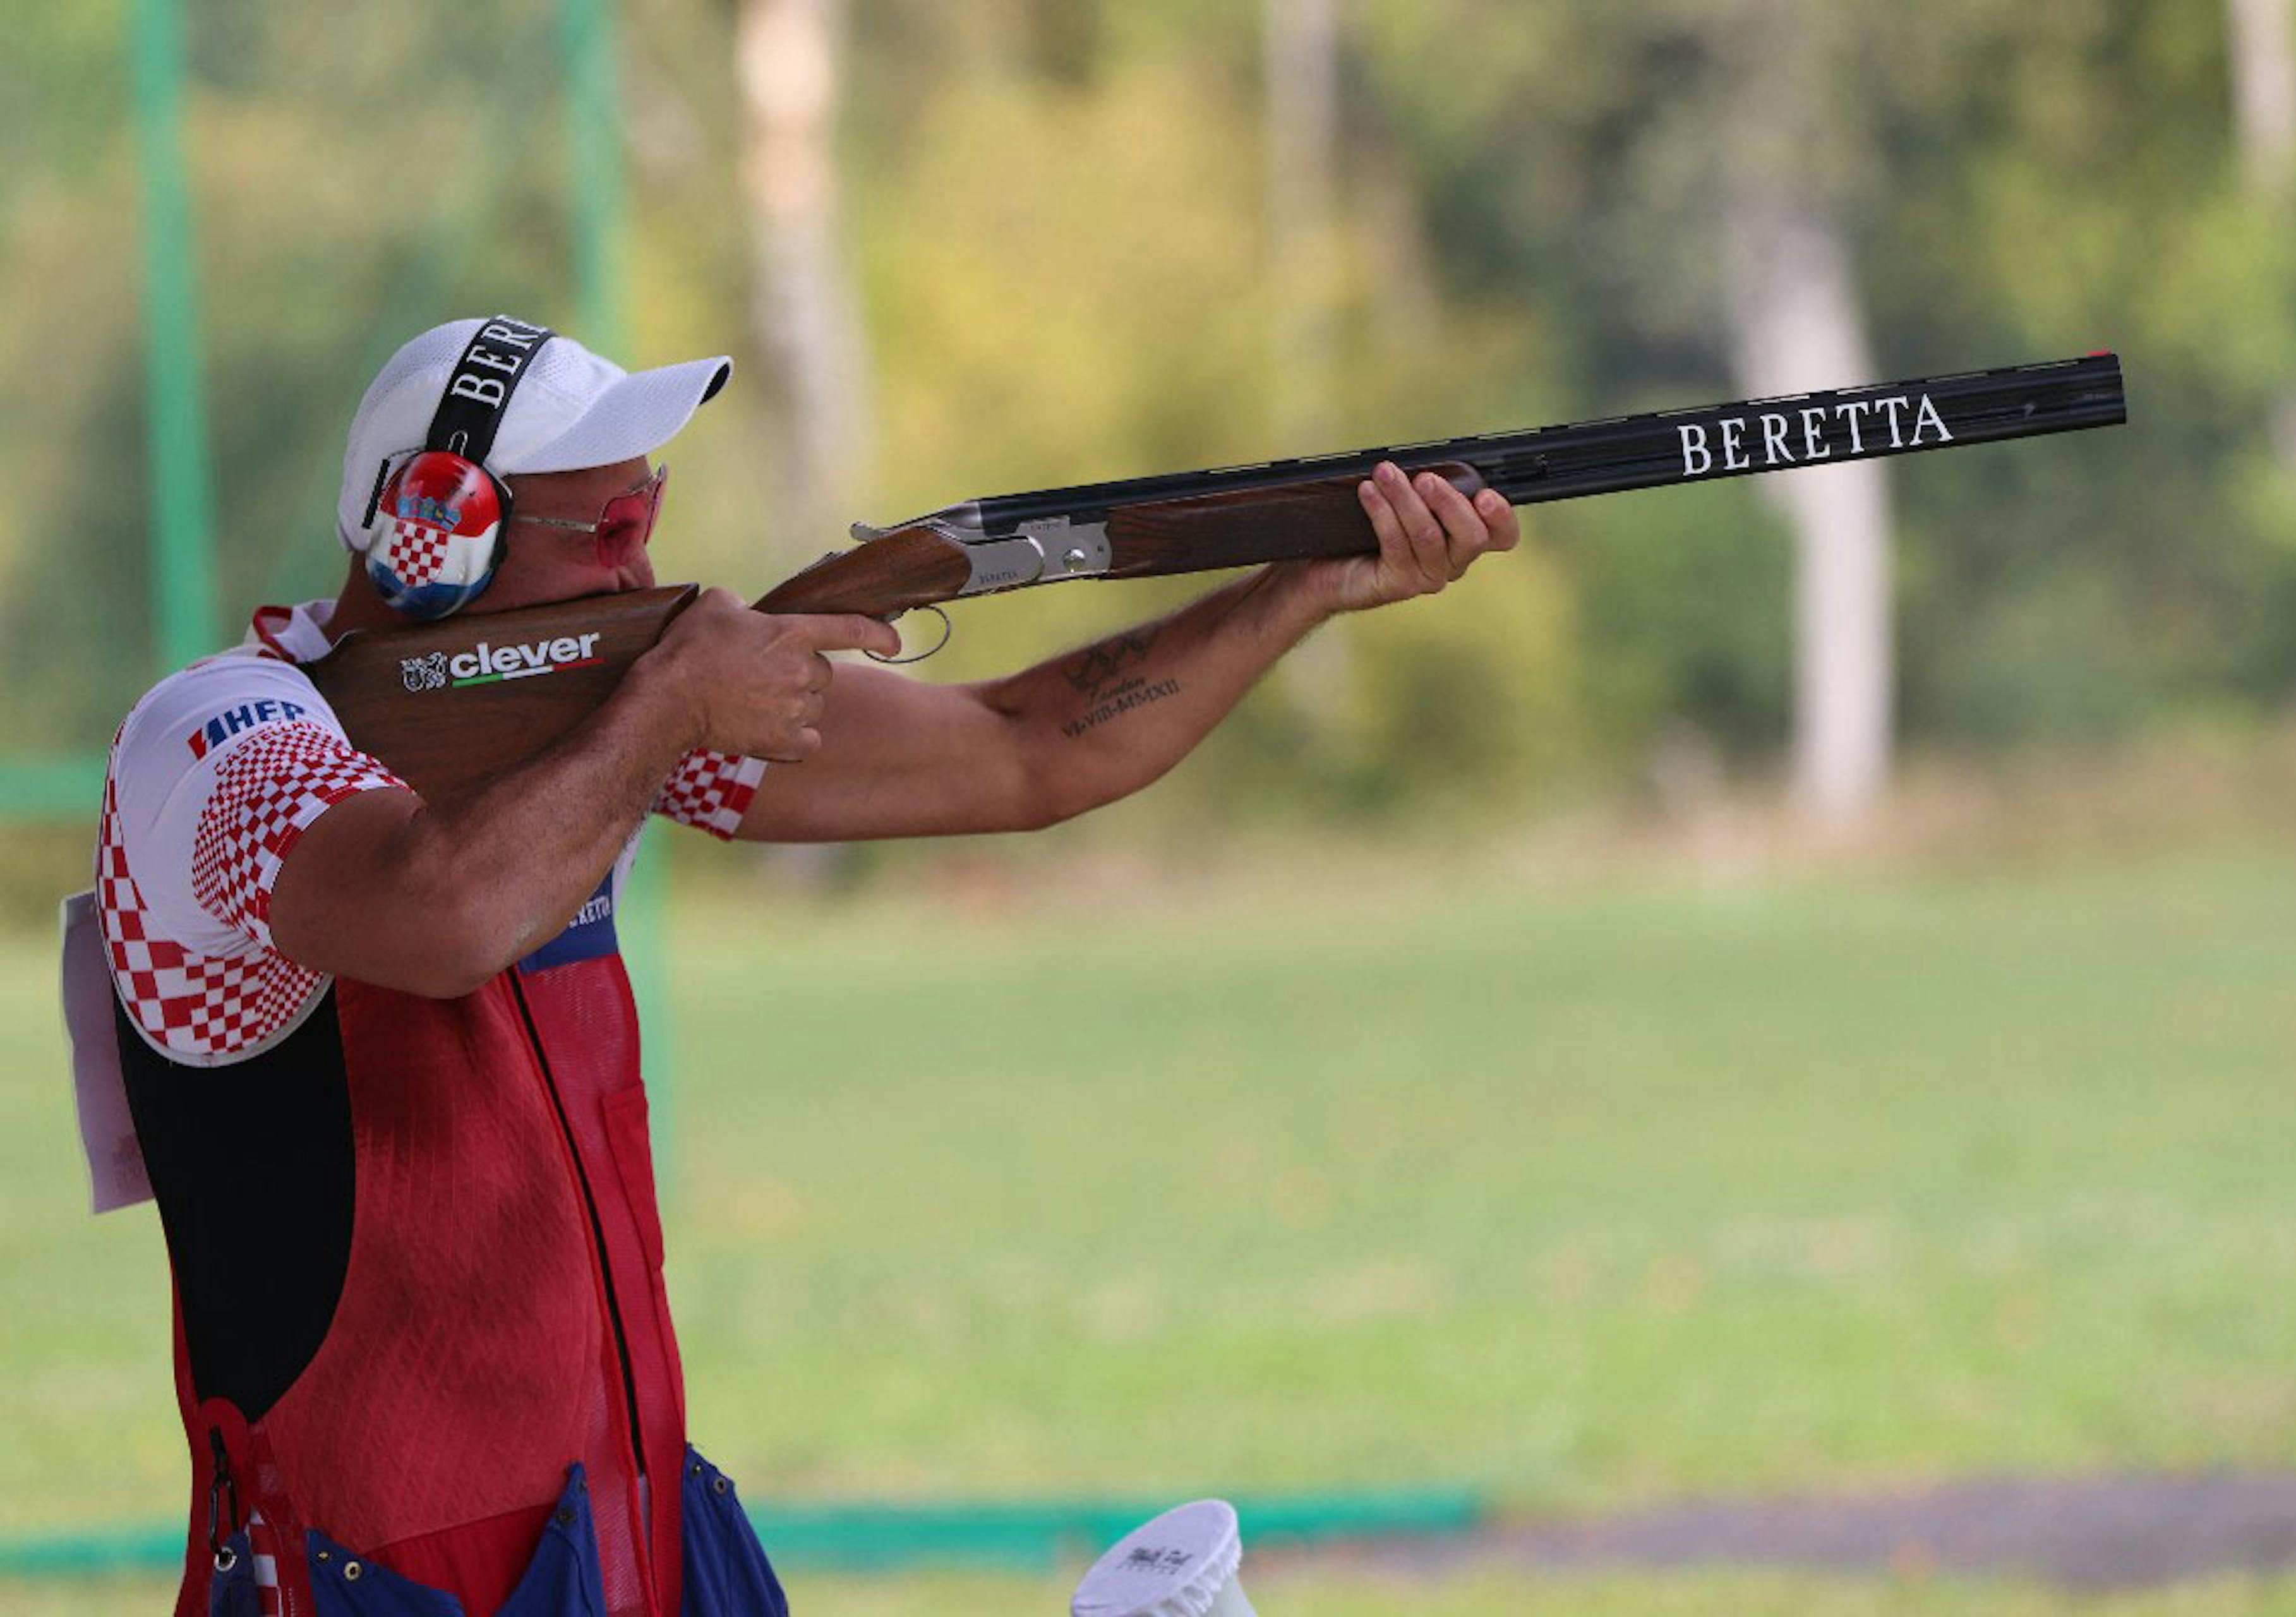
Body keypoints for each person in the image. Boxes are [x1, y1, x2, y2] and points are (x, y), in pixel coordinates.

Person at [77, 316, 1520, 1617]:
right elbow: (442, 912)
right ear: (428, 536)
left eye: (653, 514)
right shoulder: (212, 740)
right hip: (372, 1578)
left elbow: (1027, 749)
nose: (649, 569)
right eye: (608, 528)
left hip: (630, 1527)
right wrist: (666, 711)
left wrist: (1303, 584)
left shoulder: (589, 732)